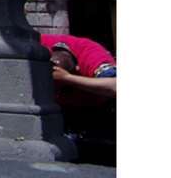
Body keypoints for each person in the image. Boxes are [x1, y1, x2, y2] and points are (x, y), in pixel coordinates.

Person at [40, 34, 116, 163]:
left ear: (77, 68)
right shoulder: (36, 44)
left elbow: (115, 86)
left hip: (95, 108)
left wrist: (67, 79)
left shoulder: (91, 54)